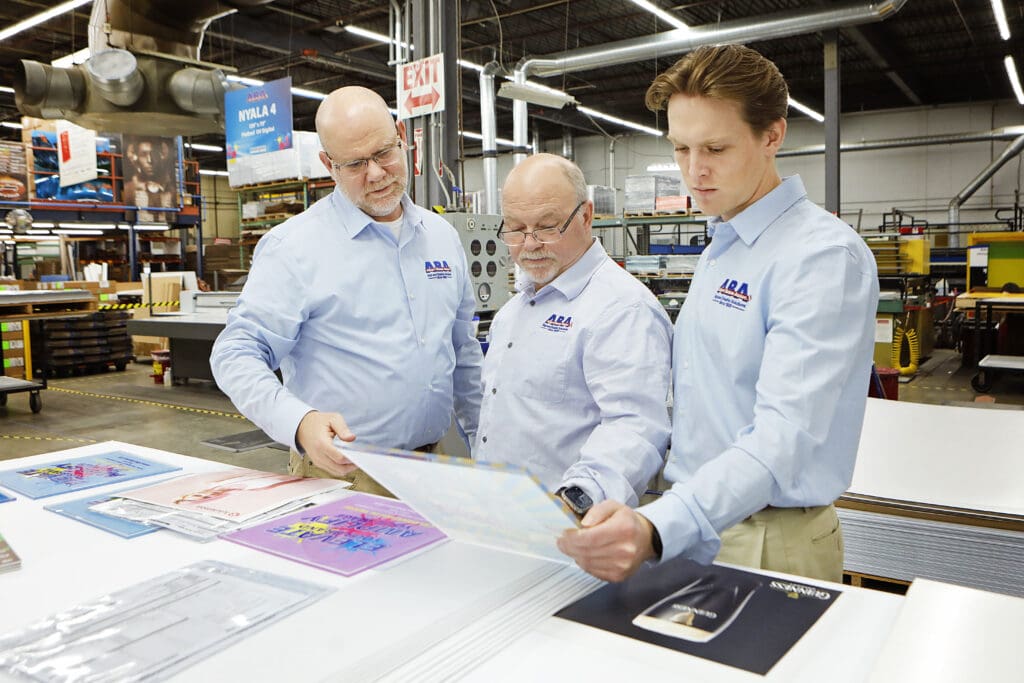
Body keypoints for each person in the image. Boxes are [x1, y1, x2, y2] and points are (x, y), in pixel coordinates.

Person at [558, 45, 879, 583]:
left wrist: (657, 527)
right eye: (680, 148)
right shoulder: (723, 244)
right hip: (700, 522)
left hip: (768, 540)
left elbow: (784, 438)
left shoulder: (820, 257)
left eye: (715, 148)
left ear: (772, 136)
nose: (694, 171)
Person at [210, 86, 483, 495]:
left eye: (383, 153)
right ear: (328, 164)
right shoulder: (295, 248)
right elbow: (235, 353)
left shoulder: (442, 237)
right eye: (354, 163)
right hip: (345, 476)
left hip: (436, 466)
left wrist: (484, 439)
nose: (375, 174)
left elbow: (462, 351)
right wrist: (300, 422)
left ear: (402, 135)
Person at [474, 153, 672, 511]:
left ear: (585, 216)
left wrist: (578, 501)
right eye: (515, 229)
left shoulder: (621, 308)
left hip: (565, 523)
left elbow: (635, 426)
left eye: (547, 227)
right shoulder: (513, 311)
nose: (530, 244)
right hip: (495, 514)